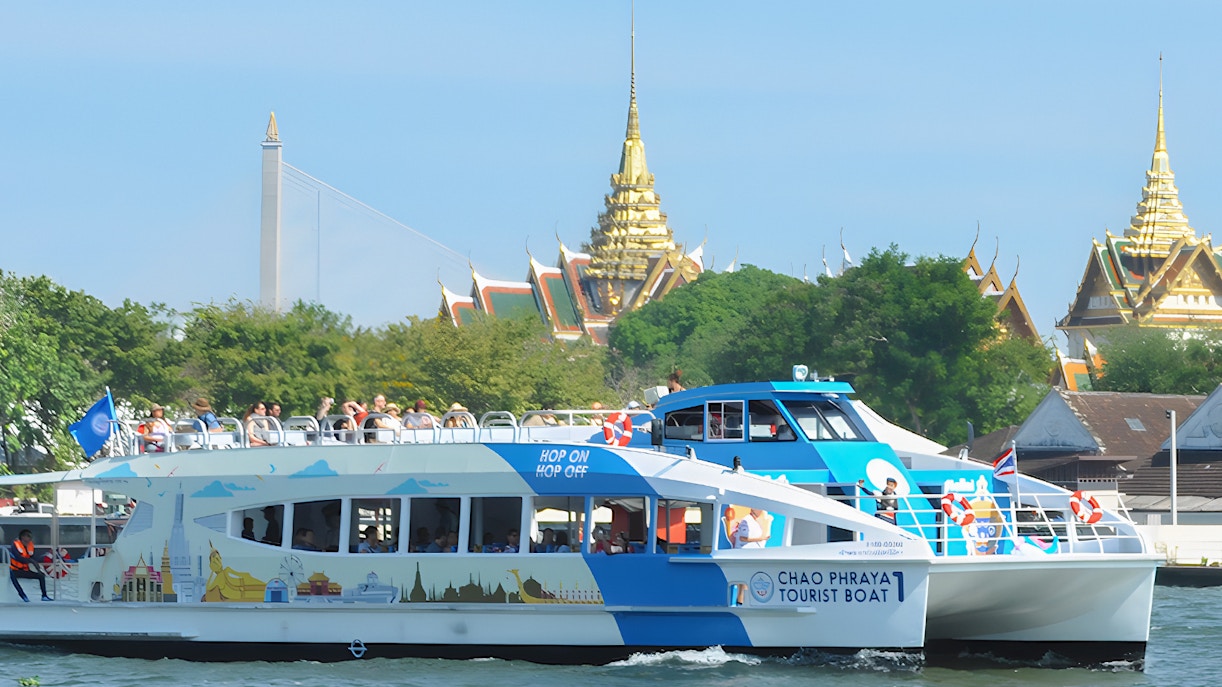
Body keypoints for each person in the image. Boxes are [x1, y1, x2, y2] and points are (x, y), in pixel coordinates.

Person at [9, 529, 50, 602]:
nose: (30, 539)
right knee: (12, 576)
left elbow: (33, 558)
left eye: (30, 537)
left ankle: (44, 596)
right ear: (22, 537)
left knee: (41, 576)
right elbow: (18, 558)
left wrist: (39, 569)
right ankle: (23, 595)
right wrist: (31, 561)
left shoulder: (30, 546)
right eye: (28, 536)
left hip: (25, 570)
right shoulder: (15, 545)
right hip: (14, 570)